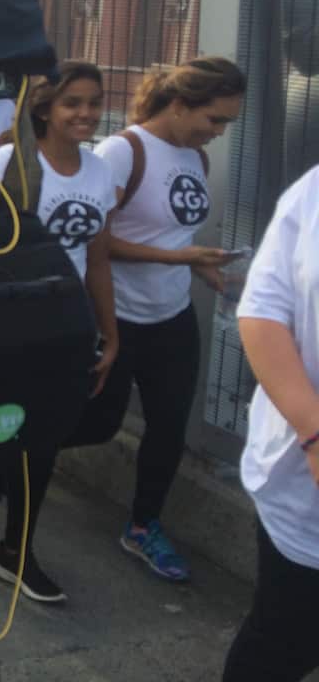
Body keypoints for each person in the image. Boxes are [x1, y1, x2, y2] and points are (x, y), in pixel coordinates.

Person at [86, 56, 245, 581]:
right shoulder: (121, 152)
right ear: (179, 105)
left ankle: (142, 526)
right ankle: (7, 471)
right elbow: (96, 242)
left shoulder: (194, 158)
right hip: (117, 318)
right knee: (97, 422)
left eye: (227, 123)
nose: (218, 133)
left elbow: (167, 235)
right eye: (214, 120)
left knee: (169, 429)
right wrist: (183, 258)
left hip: (172, 318)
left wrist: (201, 268)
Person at [0, 61, 120, 603]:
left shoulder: (100, 171)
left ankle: (16, 551)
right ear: (45, 109)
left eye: (93, 102)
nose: (85, 113)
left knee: (42, 446)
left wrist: (110, 334)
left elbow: (99, 260)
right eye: (72, 103)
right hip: (13, 330)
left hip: (69, 329)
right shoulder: (9, 163)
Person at [221, 164, 319, 682]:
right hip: (301, 487)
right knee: (283, 638)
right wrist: (315, 434)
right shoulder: (312, 192)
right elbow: (261, 312)